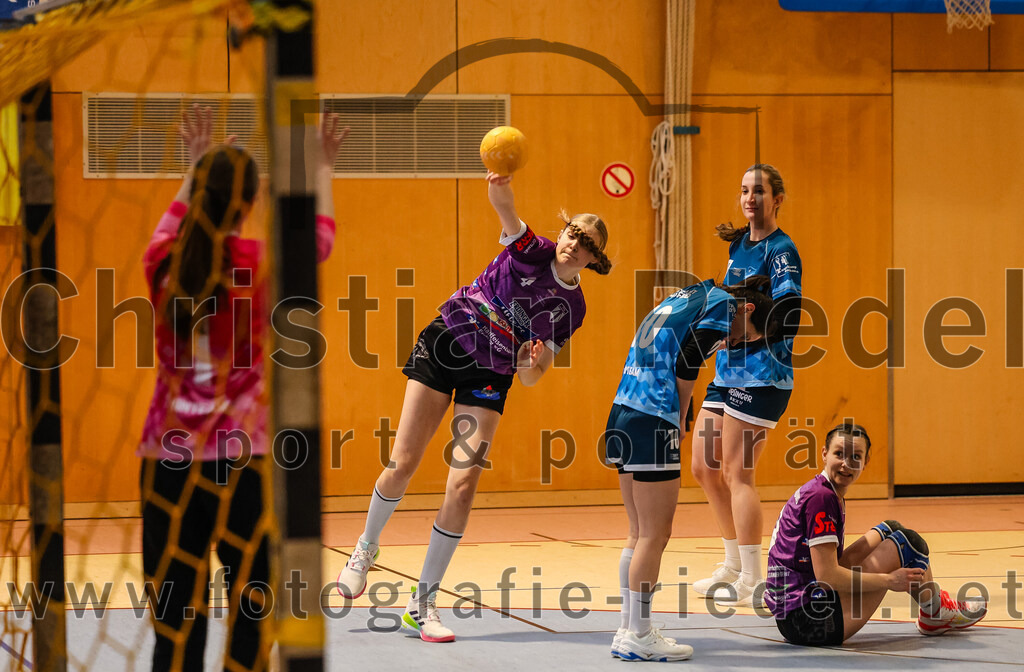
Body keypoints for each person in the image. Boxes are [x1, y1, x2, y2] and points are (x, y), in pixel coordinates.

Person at [337, 171, 612, 643]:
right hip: (446, 343)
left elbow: (532, 375)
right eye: (572, 232)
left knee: (463, 484)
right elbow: (504, 206)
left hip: (491, 374)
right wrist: (499, 179)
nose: (573, 242)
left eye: (585, 241)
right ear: (562, 233)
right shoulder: (532, 249)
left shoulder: (574, 309)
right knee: (402, 464)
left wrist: (531, 362)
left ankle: (422, 604)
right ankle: (364, 548)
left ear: (592, 258)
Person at [137, 105, 347, 671]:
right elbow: (320, 240)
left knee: (173, 623)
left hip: (168, 462)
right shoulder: (259, 263)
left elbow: (173, 222)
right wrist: (322, 167)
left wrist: (194, 166)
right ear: (250, 205)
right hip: (241, 462)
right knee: (251, 616)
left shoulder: (160, 260)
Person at [607, 276, 776, 662]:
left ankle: (628, 629)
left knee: (637, 533)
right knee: (654, 535)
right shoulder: (724, 306)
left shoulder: (692, 294)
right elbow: (688, 359)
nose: (732, 343)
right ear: (746, 308)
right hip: (653, 414)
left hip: (622, 409)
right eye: (741, 337)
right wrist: (681, 415)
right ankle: (639, 634)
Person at [690, 163, 803, 607]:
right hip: (727, 369)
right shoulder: (739, 244)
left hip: (761, 374)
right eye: (744, 190)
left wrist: (753, 333)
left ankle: (755, 578)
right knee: (703, 466)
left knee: (739, 473)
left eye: (759, 191)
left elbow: (789, 311)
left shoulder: (781, 250)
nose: (750, 198)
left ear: (777, 199)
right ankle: (733, 562)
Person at [765, 423, 987, 645]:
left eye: (855, 457)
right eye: (839, 454)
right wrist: (888, 580)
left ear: (866, 461)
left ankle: (934, 609)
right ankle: (935, 612)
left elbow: (841, 562)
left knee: (898, 533)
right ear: (824, 453)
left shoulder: (822, 490)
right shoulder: (821, 499)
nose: (846, 464)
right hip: (811, 621)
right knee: (908, 545)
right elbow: (828, 577)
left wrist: (883, 530)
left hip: (798, 615)